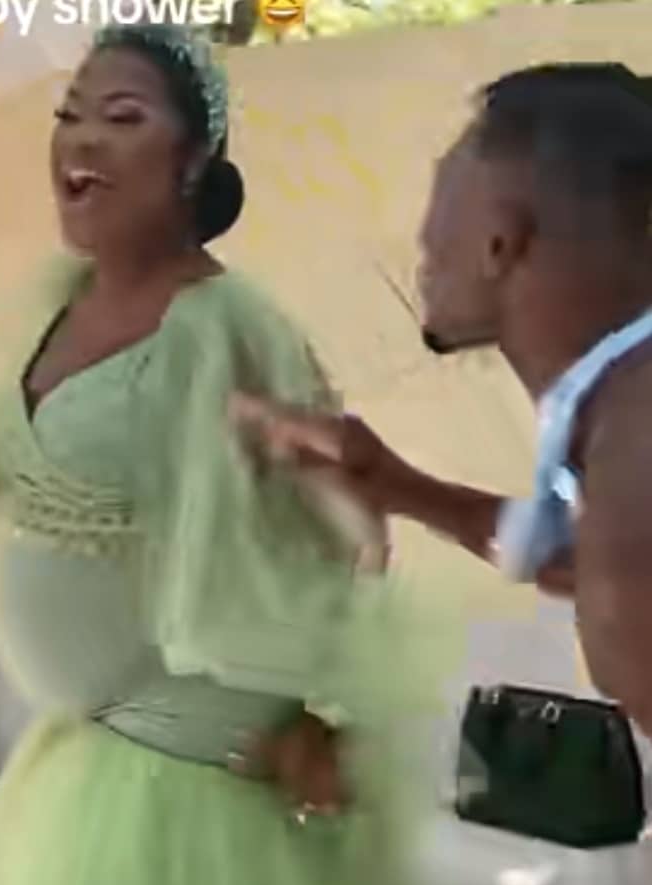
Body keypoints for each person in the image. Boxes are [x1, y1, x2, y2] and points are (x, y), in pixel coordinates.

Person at [0, 24, 443, 885]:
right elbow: (14, 443)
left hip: (196, 760)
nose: (83, 139)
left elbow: (334, 525)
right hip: (82, 754)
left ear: (192, 160)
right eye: (69, 116)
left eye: (123, 117)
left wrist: (327, 717)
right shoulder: (54, 299)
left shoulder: (230, 328)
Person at [234, 63, 652, 735]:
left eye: (440, 212)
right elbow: (576, 555)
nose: (424, 249)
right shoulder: (619, 426)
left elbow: (612, 571)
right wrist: (400, 487)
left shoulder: (631, 475)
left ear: (498, 242)